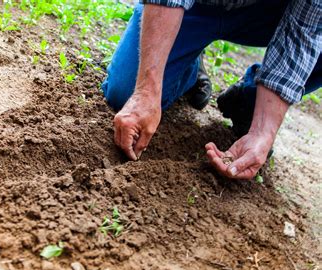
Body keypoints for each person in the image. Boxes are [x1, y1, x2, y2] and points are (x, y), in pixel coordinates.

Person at [102, 0, 321, 179]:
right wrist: (146, 91)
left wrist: (262, 132)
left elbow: (306, 31)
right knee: (126, 92)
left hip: (266, 14)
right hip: (195, 6)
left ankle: (250, 102)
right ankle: (189, 65)